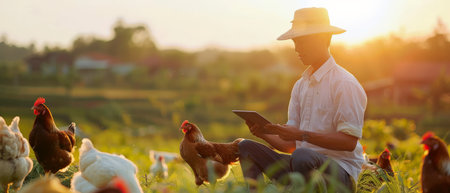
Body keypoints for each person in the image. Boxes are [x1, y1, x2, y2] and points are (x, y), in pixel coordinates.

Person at [238, 7, 367, 192]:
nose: (297, 48)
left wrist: (300, 135)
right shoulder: (301, 85)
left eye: (303, 41)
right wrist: (263, 133)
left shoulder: (344, 83)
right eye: (295, 42)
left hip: (340, 174)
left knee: (302, 156)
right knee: (246, 147)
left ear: (323, 38)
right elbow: (292, 145)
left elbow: (348, 142)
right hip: (302, 164)